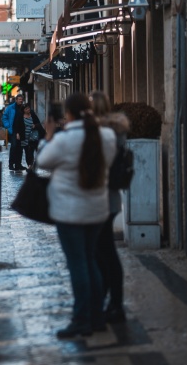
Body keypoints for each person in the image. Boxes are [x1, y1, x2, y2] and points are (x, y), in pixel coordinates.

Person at [37, 92, 117, 338]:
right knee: (91, 261)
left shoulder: (63, 140)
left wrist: (48, 136)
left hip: (70, 213)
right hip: (97, 210)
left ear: (68, 114)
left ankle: (82, 319)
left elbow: (42, 161)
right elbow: (110, 162)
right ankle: (96, 317)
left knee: (78, 264)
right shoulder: (107, 136)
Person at [89, 90, 130, 324]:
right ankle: (109, 301)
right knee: (103, 252)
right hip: (111, 198)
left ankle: (115, 304)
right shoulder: (116, 131)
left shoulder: (102, 133)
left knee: (104, 253)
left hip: (101, 198)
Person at [15, 103, 45, 168]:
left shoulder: (32, 115)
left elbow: (38, 123)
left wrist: (35, 125)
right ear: (23, 110)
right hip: (24, 136)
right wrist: (17, 133)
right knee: (26, 151)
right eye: (26, 109)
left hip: (32, 137)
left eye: (28, 108)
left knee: (30, 151)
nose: (28, 109)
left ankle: (30, 165)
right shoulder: (20, 116)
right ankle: (29, 165)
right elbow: (17, 125)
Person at [3, 94, 25, 170]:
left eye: (21, 99)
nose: (21, 101)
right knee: (14, 147)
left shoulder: (23, 108)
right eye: (19, 99)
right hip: (13, 131)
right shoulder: (10, 108)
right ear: (16, 100)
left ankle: (18, 164)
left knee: (20, 148)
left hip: (22, 131)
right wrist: (8, 126)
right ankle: (11, 164)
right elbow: (5, 117)